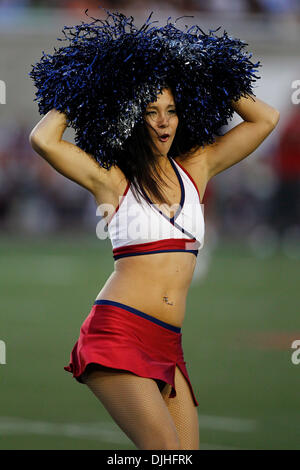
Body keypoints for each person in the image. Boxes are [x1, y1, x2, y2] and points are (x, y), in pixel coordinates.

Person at [28, 9, 280, 450]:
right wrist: (86, 81)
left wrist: (204, 66)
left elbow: (265, 119)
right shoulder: (112, 180)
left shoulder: (196, 169)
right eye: (150, 111)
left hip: (169, 343)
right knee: (166, 452)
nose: (164, 122)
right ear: (130, 117)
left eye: (171, 111)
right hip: (118, 332)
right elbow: (44, 139)